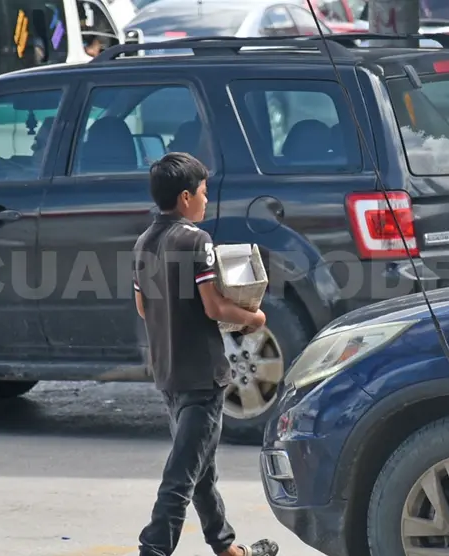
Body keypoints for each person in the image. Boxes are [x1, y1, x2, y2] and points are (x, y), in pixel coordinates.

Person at [132, 152, 275, 556]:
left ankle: (226, 547)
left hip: (168, 374)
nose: (206, 200)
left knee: (200, 470)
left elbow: (143, 307)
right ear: (185, 197)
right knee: (182, 477)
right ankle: (153, 549)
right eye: (203, 192)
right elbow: (213, 307)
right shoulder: (197, 241)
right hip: (202, 376)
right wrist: (253, 317)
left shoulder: (143, 243)